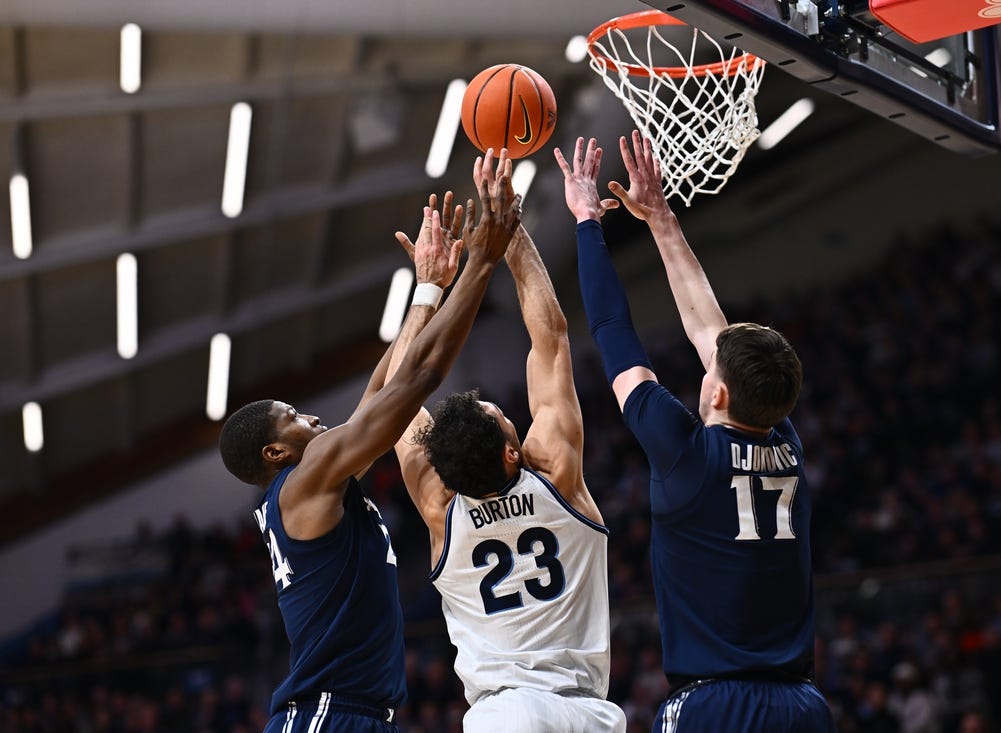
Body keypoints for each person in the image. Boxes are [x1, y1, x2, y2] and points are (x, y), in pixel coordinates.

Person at [218, 176, 521, 733]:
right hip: (327, 714)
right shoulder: (307, 479)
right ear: (276, 450)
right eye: (295, 417)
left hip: (353, 714)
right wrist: (479, 264)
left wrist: (427, 292)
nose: (312, 417)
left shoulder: (313, 489)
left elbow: (381, 393)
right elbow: (417, 382)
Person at [556, 131, 835, 732]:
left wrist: (586, 222)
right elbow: (713, 332)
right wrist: (660, 219)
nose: (705, 361)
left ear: (719, 392)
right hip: (803, 707)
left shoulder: (687, 455)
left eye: (710, 369)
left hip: (715, 705)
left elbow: (610, 328)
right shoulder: (784, 443)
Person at [385, 150, 626, 733]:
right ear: (512, 451)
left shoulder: (439, 508)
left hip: (504, 714)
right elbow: (551, 337)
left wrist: (428, 290)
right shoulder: (555, 475)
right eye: (508, 418)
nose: (513, 414)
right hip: (588, 712)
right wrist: (508, 234)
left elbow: (393, 397)